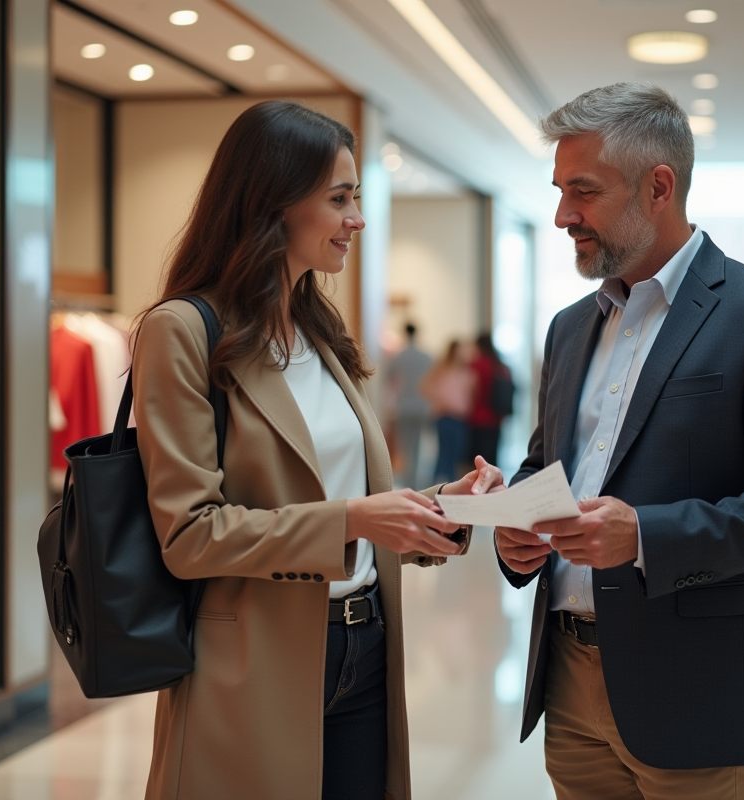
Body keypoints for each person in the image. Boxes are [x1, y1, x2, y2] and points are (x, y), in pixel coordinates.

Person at [130, 101, 502, 800]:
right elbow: (189, 535)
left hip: (365, 649)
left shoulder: (318, 330)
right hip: (252, 665)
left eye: (355, 198)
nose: (357, 219)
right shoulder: (182, 331)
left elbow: (348, 495)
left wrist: (443, 508)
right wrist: (354, 521)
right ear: (273, 202)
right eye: (340, 199)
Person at [492, 83, 744, 800]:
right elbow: (550, 466)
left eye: (583, 192)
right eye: (560, 191)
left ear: (659, 186)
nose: (563, 216)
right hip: (568, 683)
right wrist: (514, 523)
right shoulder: (568, 327)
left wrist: (646, 536)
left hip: (697, 690)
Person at [386, 323, 434, 487]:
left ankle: (409, 482)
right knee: (419, 445)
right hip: (422, 407)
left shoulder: (400, 357)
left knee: (406, 446)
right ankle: (418, 482)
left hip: (404, 406)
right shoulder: (426, 356)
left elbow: (390, 379)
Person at [420, 339, 475, 483]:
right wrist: (441, 401)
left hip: (460, 417)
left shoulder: (467, 372)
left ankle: (450, 485)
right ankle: (436, 486)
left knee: (455, 455)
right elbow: (425, 387)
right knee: (443, 454)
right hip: (444, 416)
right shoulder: (442, 369)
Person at [468, 333, 510, 465]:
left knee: (478, 462)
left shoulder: (478, 365)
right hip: (497, 418)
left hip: (479, 418)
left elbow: (472, 392)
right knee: (492, 459)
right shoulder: (500, 365)